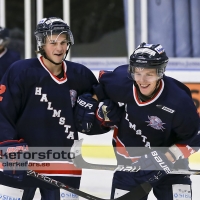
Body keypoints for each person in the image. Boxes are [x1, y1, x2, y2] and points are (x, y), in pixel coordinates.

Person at [76, 43, 200, 199]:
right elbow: (101, 89)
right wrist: (98, 107)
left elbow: (195, 136)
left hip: (172, 169)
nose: (142, 80)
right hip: (130, 166)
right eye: (138, 73)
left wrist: (169, 156)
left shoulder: (178, 100)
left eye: (149, 74)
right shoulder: (121, 81)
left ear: (160, 73)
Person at [0, 17, 106, 200]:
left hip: (64, 162)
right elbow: (3, 112)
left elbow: (90, 120)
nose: (59, 48)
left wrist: (103, 116)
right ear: (42, 43)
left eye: (64, 42)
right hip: (20, 161)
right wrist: (8, 146)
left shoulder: (81, 75)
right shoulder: (21, 71)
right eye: (53, 42)